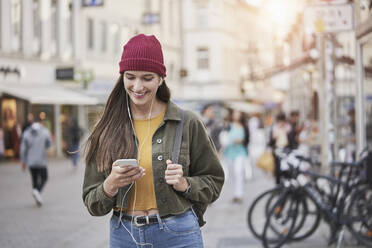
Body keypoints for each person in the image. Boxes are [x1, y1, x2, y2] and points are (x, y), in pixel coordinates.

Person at [82, 34, 224, 248]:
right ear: (122, 76)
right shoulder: (108, 127)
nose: (137, 86)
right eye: (130, 77)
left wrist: (185, 183)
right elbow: (92, 203)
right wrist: (111, 183)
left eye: (147, 78)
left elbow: (214, 181)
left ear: (161, 78)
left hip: (178, 233)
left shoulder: (187, 123)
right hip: (124, 235)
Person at [20, 116, 52, 206]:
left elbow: (23, 149)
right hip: (41, 161)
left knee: (34, 179)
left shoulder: (26, 133)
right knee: (44, 177)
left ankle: (37, 195)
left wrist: (23, 161)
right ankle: (37, 191)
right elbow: (49, 143)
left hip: (31, 161)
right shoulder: (45, 132)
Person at [221, 109, 249, 204]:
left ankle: (239, 194)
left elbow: (247, 139)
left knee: (239, 172)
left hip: (240, 152)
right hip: (229, 152)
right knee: (232, 173)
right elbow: (223, 137)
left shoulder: (244, 126)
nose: (236, 116)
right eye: (235, 114)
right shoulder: (228, 125)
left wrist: (241, 141)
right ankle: (234, 193)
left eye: (238, 114)